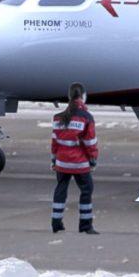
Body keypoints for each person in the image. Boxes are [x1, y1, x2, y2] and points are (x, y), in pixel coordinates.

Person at [49, 83, 98, 234]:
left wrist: (54, 160)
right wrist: (93, 160)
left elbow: (54, 142)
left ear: (69, 96)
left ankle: (56, 223)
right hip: (79, 163)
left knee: (60, 190)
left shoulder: (58, 117)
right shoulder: (86, 118)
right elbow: (90, 143)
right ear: (83, 96)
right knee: (87, 190)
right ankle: (85, 225)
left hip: (62, 162)